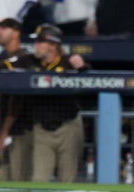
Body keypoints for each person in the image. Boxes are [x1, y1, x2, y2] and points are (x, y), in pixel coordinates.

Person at [28, 24, 89, 182]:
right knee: (38, 181)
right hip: (42, 130)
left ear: (53, 45)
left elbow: (89, 75)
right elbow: (9, 65)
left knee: (67, 181)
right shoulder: (32, 62)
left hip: (68, 128)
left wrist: (82, 66)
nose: (36, 46)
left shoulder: (68, 62)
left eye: (40, 42)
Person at [0, 18, 33, 181]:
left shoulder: (24, 57)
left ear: (16, 33)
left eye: (4, 28)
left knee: (18, 181)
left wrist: (4, 132)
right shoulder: (5, 57)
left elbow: (17, 99)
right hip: (10, 131)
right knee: (5, 180)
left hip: (22, 131)